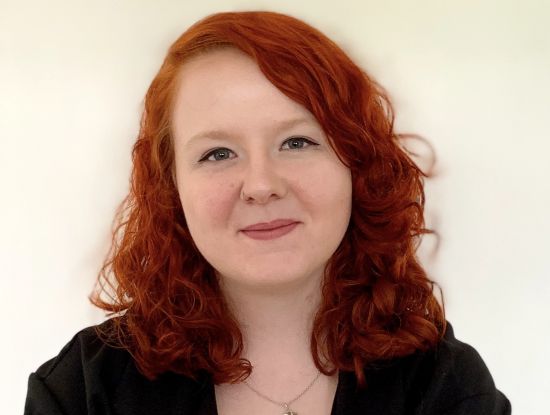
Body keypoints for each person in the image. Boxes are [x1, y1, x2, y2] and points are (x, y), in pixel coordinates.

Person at [24, 10, 511, 415]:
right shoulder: (81, 391)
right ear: (171, 187)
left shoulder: (446, 386)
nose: (261, 186)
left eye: (296, 142)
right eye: (217, 153)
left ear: (357, 165)